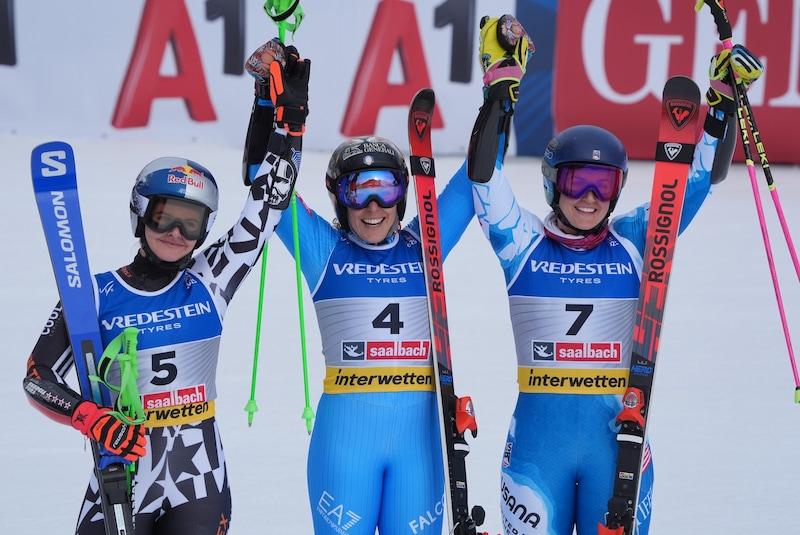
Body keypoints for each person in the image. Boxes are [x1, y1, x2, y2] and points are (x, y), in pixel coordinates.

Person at [465, 15, 762, 535]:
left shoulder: (635, 240)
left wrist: (722, 104)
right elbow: (484, 176)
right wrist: (498, 98)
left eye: (604, 184)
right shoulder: (522, 243)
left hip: (617, 449)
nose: (589, 198)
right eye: (578, 180)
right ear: (554, 184)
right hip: (539, 453)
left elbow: (698, 180)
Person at [23, 42, 310, 535]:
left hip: (198, 479)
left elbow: (265, 209)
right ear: (140, 213)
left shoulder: (210, 278)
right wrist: (90, 417)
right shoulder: (93, 294)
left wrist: (288, 128)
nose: (176, 233)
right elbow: (37, 377)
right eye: (164, 216)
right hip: (121, 472)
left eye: (191, 222)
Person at [241, 47, 484, 535]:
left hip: (420, 447)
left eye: (387, 191)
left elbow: (475, 179)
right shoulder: (323, 249)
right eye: (358, 192)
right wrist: (271, 110)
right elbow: (261, 182)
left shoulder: (426, 243)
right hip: (344, 446)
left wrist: (498, 96)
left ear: (403, 197)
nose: (374, 207)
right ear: (339, 198)